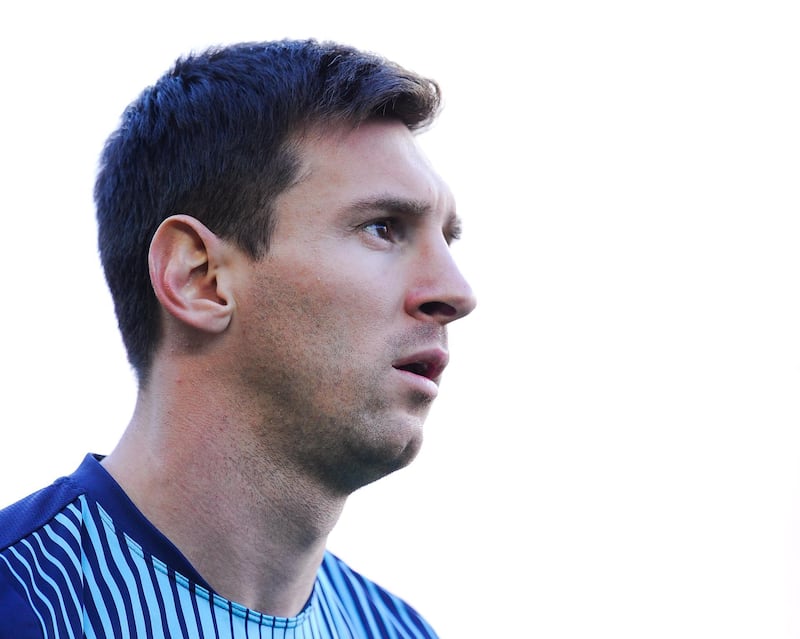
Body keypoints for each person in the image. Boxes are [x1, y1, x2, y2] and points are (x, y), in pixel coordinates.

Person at [0, 39, 476, 637]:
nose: (456, 293)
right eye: (383, 228)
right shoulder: (21, 603)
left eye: (447, 239)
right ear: (199, 277)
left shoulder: (400, 629)